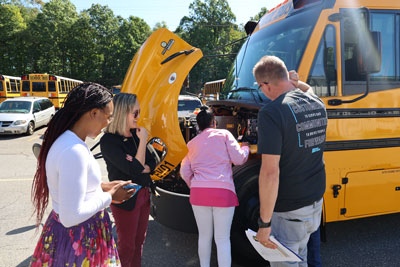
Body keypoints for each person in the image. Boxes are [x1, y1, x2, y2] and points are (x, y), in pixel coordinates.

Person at [31, 83, 135, 267]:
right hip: (79, 238)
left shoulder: (67, 141)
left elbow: (72, 187)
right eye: (108, 117)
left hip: (73, 236)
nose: (109, 123)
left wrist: (102, 187)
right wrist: (109, 196)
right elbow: (71, 216)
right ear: (93, 113)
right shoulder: (73, 150)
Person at [253, 55, 327, 267]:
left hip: (289, 213)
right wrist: (295, 82)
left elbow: (270, 173)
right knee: (302, 258)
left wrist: (264, 223)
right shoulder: (316, 102)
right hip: (314, 204)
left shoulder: (271, 113)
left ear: (265, 85)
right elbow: (308, 89)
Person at [180, 106, 250, 267]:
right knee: (222, 239)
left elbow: (184, 171)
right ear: (214, 122)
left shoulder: (192, 144)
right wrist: (245, 147)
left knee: (204, 236)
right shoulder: (224, 135)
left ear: (198, 125)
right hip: (223, 193)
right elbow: (238, 159)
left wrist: (195, 186)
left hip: (198, 194)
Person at [100, 93, 156, 267]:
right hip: (126, 197)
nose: (139, 117)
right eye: (135, 113)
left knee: (140, 241)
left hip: (144, 193)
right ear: (123, 112)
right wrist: (142, 143)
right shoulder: (109, 141)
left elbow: (154, 160)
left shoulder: (135, 134)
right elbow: (134, 169)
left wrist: (143, 166)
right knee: (127, 245)